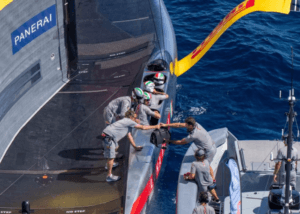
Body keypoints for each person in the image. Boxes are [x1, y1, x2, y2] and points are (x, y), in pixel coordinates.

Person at [102, 110, 160, 182]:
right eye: (135, 117)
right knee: (111, 157)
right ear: (130, 117)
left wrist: (135, 147)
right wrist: (156, 126)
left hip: (110, 136)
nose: (136, 119)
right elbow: (143, 127)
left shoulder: (126, 123)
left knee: (116, 147)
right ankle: (109, 176)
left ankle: (110, 164)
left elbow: (129, 136)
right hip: (109, 137)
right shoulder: (128, 121)